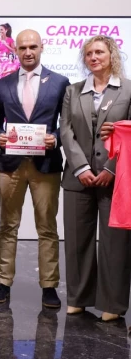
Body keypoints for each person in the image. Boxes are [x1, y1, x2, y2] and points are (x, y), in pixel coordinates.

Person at [0, 29, 70, 308]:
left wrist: (56, 138)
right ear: (15, 50)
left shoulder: (60, 83)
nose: (27, 52)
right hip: (10, 165)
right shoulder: (2, 84)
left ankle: (49, 286)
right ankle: (3, 282)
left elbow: (68, 124)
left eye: (33, 46)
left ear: (42, 48)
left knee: (47, 227)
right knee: (7, 226)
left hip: (46, 164)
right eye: (22, 47)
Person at [61, 35, 131, 322]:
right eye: (88, 53)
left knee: (116, 243)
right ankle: (78, 298)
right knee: (77, 241)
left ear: (111, 54)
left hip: (115, 179)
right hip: (78, 178)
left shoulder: (128, 89)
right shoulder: (73, 90)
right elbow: (65, 131)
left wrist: (111, 167)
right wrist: (80, 167)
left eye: (99, 52)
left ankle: (113, 305)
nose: (94, 57)